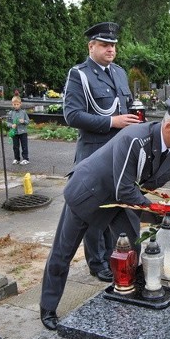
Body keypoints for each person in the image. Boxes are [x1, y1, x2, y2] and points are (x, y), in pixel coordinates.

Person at [39, 99, 170, 330]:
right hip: (89, 193)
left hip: (122, 201)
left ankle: (124, 290)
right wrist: (160, 214)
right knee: (63, 253)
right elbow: (125, 189)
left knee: (132, 247)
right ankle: (48, 307)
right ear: (169, 127)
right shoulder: (135, 139)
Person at [63, 21, 142, 282]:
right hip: (94, 154)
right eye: (105, 45)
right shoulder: (80, 74)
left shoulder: (119, 73)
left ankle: (114, 256)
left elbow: (127, 106)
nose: (111, 50)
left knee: (116, 207)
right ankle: (97, 264)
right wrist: (112, 121)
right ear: (91, 46)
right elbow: (72, 115)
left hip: (119, 153)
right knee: (94, 211)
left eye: (113, 45)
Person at [6, 95, 30, 165]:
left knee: (24, 146)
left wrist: (23, 121)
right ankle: (17, 159)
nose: (16, 106)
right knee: (15, 146)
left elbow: (28, 121)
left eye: (17, 104)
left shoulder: (23, 112)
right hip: (15, 132)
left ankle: (26, 159)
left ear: (20, 104)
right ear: (12, 104)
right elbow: (7, 122)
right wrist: (11, 125)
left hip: (23, 132)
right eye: (14, 104)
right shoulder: (10, 113)